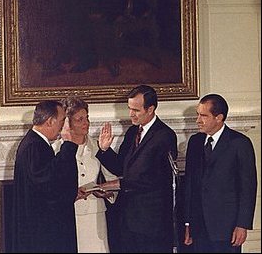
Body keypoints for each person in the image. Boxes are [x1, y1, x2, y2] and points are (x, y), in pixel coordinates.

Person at [96, 85, 178, 253]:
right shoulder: (133, 131)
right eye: (129, 108)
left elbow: (150, 179)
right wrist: (105, 149)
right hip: (129, 220)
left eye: (136, 110)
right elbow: (121, 167)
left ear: (150, 109)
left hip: (152, 225)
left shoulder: (165, 136)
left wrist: (107, 186)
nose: (131, 114)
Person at [184, 93, 257, 253]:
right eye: (198, 114)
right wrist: (188, 223)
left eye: (203, 115)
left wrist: (242, 225)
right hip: (199, 227)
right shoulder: (195, 142)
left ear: (219, 117)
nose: (198, 120)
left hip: (227, 228)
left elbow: (248, 188)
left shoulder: (240, 143)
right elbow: (189, 184)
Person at [12, 100, 80, 253]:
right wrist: (68, 146)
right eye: (62, 121)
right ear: (50, 121)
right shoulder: (34, 146)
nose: (63, 127)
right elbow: (49, 183)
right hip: (43, 232)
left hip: (40, 228)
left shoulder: (36, 143)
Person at [53, 96, 118, 253]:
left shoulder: (98, 146)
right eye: (79, 119)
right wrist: (70, 194)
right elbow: (52, 188)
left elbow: (113, 180)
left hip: (96, 217)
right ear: (68, 123)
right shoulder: (56, 149)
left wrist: (106, 192)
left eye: (86, 118)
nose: (86, 123)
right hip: (69, 215)